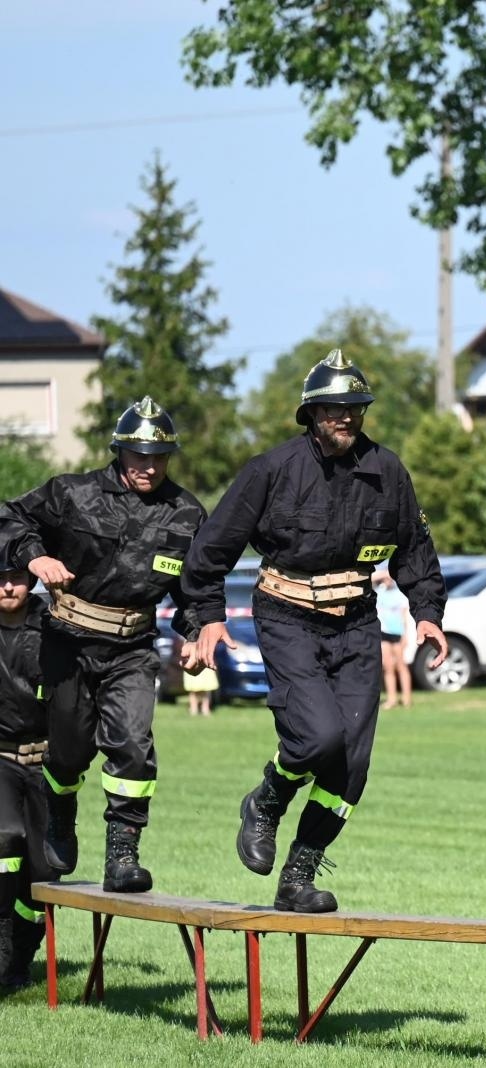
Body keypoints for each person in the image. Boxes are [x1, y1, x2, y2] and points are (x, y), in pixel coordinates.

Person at [181, 349, 448, 913]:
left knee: (351, 763)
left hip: (356, 624)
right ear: (311, 414)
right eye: (332, 409)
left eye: (354, 408)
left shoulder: (388, 472)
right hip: (286, 619)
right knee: (320, 737)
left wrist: (427, 613)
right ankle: (267, 800)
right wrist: (206, 618)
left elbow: (415, 550)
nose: (344, 417)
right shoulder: (271, 470)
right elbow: (209, 553)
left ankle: (298, 874)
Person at [0, 397, 206, 894]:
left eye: (158, 457)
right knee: (68, 754)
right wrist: (35, 559)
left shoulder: (186, 513)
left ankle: (123, 853)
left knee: (133, 746)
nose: (148, 466)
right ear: (119, 451)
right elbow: (10, 517)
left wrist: (197, 632)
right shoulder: (73, 493)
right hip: (67, 643)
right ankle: (61, 813)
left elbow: (196, 588)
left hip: (132, 649)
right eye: (139, 456)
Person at [0, 555, 48, 988]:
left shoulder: (52, 625)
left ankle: (20, 961)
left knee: (44, 872)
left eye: (15, 578)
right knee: (5, 840)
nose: (7, 587)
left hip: (47, 764)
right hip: (0, 759)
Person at [374, 567, 413, 709]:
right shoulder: (379, 593)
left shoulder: (400, 594)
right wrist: (383, 574)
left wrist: (405, 635)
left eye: (389, 578)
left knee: (401, 665)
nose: (387, 580)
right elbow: (370, 579)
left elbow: (405, 617)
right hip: (384, 633)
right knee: (388, 666)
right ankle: (392, 699)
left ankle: (407, 698)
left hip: (397, 632)